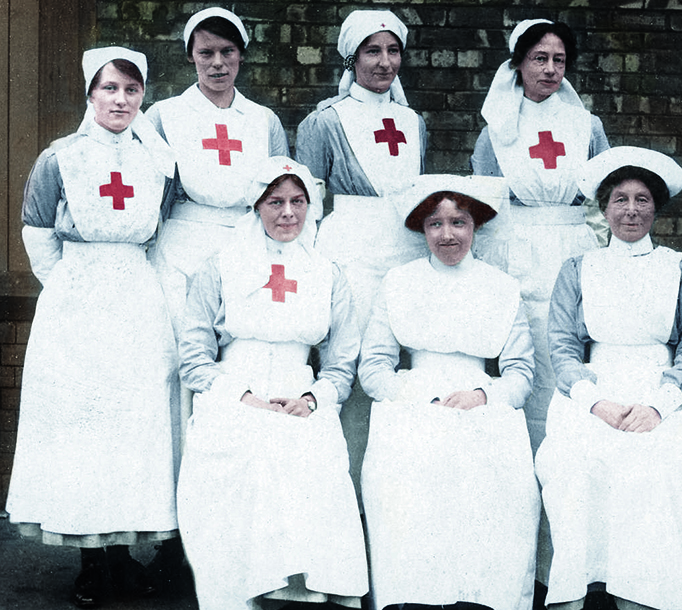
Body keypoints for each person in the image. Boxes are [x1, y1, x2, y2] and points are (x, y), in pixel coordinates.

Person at [6, 47, 179, 608]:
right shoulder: (59, 159)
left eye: (131, 90)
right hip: (77, 303)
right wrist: (74, 289)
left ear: (142, 96)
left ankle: (123, 554)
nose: (121, 100)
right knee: (85, 426)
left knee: (132, 426)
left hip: (135, 295)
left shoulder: (158, 159)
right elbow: (38, 233)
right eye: (110, 89)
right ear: (90, 94)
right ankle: (90, 561)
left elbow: (161, 225)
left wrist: (119, 281)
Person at [174, 157, 367, 610]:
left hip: (297, 394)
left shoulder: (328, 272)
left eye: (298, 201)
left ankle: (300, 589)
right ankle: (241, 593)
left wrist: (313, 398)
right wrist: (237, 396)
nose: (287, 213)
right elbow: (194, 357)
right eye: (274, 201)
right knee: (241, 451)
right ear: (256, 206)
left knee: (307, 456)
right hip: (233, 391)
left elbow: (341, 363)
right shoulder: (221, 266)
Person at [144, 8, 293, 583]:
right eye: (206, 53)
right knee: (183, 384)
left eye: (228, 53)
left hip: (245, 252)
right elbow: (153, 194)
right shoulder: (165, 115)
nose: (217, 64)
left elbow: (280, 191)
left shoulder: (263, 120)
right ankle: (174, 537)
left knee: (235, 382)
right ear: (190, 56)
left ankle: (234, 525)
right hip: (182, 250)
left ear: (241, 57)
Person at [535, 147, 682, 610]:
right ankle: (579, 589)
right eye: (619, 199)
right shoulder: (578, 268)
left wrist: (660, 405)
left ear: (656, 208)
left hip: (661, 392)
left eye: (642, 200)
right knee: (573, 465)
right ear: (604, 206)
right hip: (593, 392)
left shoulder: (681, 268)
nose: (631, 210)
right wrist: (596, 402)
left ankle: (645, 594)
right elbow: (562, 345)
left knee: (656, 469)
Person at [358, 175, 539, 610]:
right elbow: (374, 366)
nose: (447, 234)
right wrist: (413, 396)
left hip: (481, 400)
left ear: (474, 227)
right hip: (414, 400)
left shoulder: (500, 286)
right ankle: (413, 598)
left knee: (496, 482)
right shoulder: (399, 281)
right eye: (435, 224)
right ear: (422, 230)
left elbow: (520, 370)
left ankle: (480, 597)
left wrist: (486, 396)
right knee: (410, 478)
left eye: (458, 222)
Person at [296, 9, 428, 508]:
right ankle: (342, 505)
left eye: (393, 50)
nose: (385, 61)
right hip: (349, 249)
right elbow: (307, 203)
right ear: (352, 57)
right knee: (348, 369)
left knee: (396, 369)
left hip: (405, 251)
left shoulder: (414, 123)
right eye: (373, 50)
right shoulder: (324, 121)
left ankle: (394, 505)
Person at [470, 18, 610, 455]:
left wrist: (598, 252)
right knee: (516, 354)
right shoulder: (495, 133)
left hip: (571, 249)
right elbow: (484, 204)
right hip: (513, 249)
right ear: (518, 63)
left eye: (559, 60)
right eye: (539, 59)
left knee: (563, 351)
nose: (550, 70)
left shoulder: (586, 127)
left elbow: (604, 197)